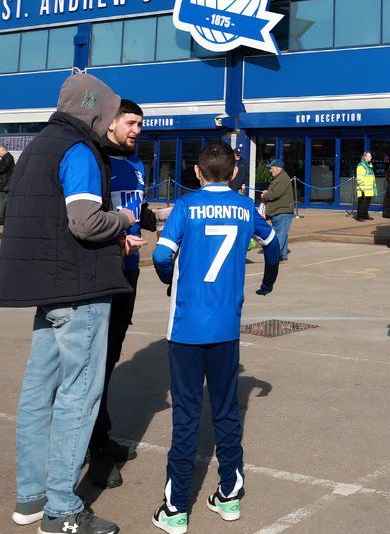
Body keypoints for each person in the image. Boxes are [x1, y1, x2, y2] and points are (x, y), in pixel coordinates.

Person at [0, 72, 138, 534]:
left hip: (45, 291)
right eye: (112, 113)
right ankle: (62, 509)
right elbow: (84, 221)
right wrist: (123, 219)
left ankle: (31, 496)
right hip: (80, 291)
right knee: (79, 396)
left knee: (38, 395)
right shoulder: (80, 150)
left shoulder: (38, 146)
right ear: (95, 111)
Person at [149, 142, 282, 533]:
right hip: (226, 328)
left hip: (186, 327)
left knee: (187, 414)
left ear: (197, 173)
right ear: (235, 173)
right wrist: (268, 283)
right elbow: (273, 246)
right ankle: (229, 497)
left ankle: (175, 509)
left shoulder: (186, 207)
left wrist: (169, 281)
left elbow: (160, 256)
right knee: (226, 410)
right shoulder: (245, 208)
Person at [87, 99, 150, 487]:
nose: (137, 130)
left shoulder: (137, 164)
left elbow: (134, 211)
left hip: (129, 274)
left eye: (141, 124)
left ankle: (102, 437)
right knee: (92, 367)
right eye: (131, 122)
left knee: (108, 361)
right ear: (111, 123)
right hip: (101, 275)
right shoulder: (95, 162)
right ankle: (93, 451)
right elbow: (86, 222)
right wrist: (116, 240)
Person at [259, 160, 297, 260]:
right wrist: (268, 192)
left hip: (282, 211)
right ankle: (283, 255)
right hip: (279, 210)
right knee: (282, 233)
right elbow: (276, 192)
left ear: (277, 168)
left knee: (279, 234)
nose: (270, 170)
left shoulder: (282, 179)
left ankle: (275, 255)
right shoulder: (279, 178)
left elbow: (274, 194)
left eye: (271, 168)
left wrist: (266, 195)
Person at [0, 145, 16, 225]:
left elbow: (3, 169)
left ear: (2, 150)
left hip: (3, 184)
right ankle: (3, 218)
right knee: (4, 202)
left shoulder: (7, 157)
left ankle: (0, 219)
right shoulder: (8, 157)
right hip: (6, 183)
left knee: (1, 202)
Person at [352, 149, 376, 221]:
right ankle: (359, 216)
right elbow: (360, 177)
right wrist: (362, 187)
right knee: (362, 203)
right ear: (365, 157)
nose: (371, 157)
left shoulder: (369, 165)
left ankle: (365, 215)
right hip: (363, 189)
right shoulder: (361, 166)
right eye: (369, 156)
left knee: (367, 203)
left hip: (368, 189)